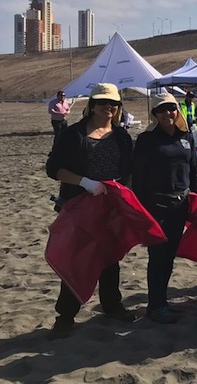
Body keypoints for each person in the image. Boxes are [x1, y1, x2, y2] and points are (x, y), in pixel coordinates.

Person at [45, 83, 135, 338]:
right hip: (77, 207)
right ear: (92, 105)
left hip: (110, 207)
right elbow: (53, 168)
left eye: (114, 104)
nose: (109, 107)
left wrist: (123, 193)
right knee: (77, 259)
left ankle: (111, 304)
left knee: (110, 257)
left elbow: (130, 170)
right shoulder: (73, 135)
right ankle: (65, 315)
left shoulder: (121, 136)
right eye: (103, 102)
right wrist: (85, 182)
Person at [132, 92, 197, 324]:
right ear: (155, 114)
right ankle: (156, 305)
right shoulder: (147, 140)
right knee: (158, 256)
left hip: (180, 205)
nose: (167, 113)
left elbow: (192, 171)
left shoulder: (186, 137)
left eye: (171, 108)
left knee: (169, 256)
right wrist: (141, 208)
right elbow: (138, 176)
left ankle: (161, 302)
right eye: (161, 110)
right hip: (155, 206)